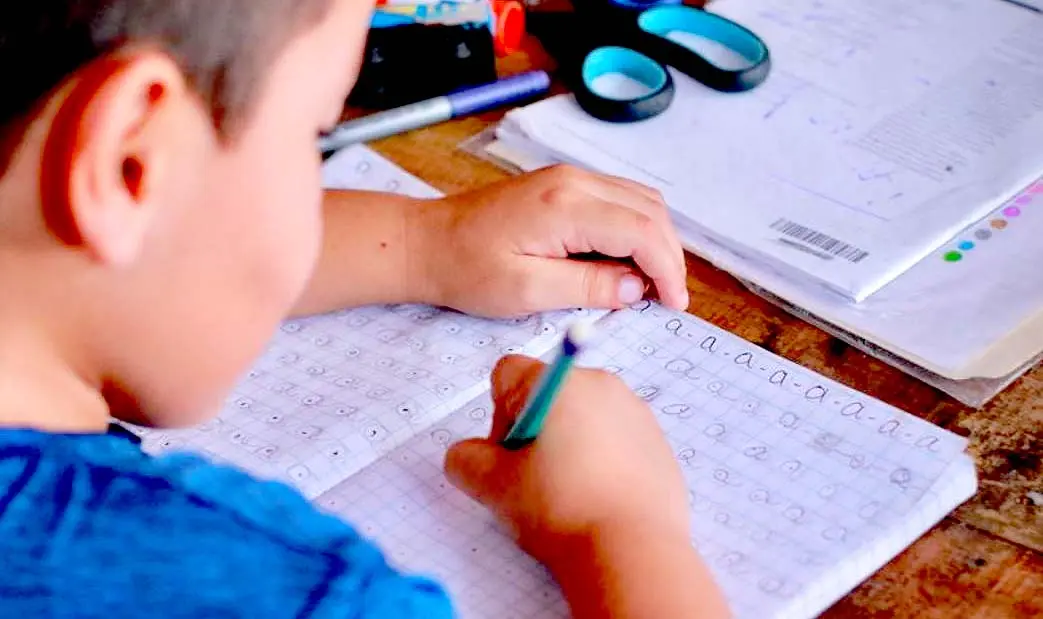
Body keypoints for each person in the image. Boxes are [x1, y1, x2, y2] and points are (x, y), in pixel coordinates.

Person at [0, 1, 729, 617]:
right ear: (132, 163)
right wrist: (621, 531)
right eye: (315, 140)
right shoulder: (281, 593)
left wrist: (422, 242)